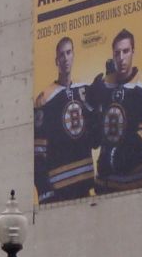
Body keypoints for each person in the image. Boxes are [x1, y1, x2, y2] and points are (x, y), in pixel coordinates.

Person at [87, 29, 142, 192]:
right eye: (117, 53)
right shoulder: (103, 85)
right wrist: (90, 104)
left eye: (126, 51)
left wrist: (118, 158)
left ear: (133, 52)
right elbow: (94, 136)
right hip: (105, 185)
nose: (121, 58)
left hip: (139, 185)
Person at [33, 36, 98, 202]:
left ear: (74, 55)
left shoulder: (84, 90)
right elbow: (38, 151)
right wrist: (44, 188)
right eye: (62, 54)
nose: (66, 58)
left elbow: (95, 138)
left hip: (85, 184)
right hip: (59, 189)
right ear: (56, 60)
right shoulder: (44, 98)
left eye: (69, 53)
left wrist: (100, 99)